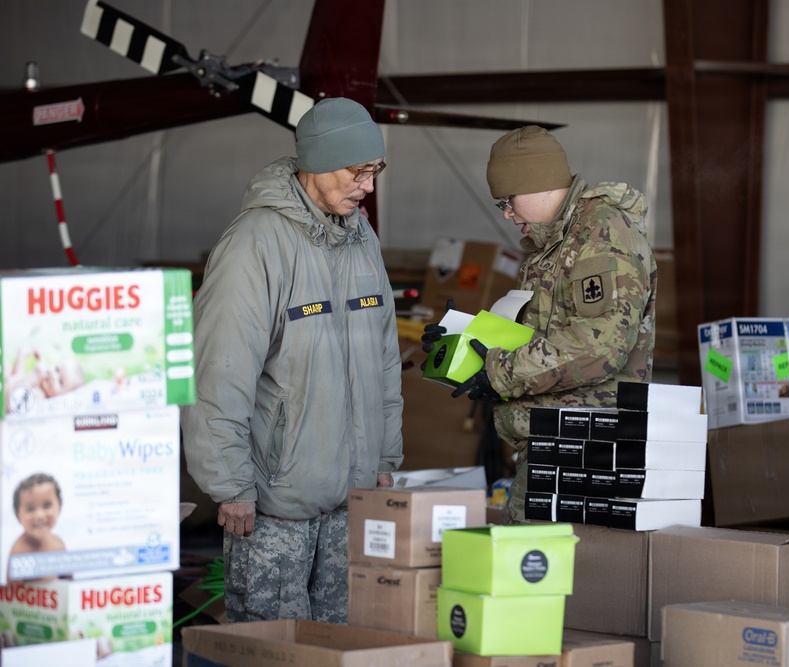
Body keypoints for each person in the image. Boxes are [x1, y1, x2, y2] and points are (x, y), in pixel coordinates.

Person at [180, 97, 402, 623]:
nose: (369, 185)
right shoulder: (254, 244)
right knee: (272, 649)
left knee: (344, 646)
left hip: (353, 497)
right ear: (319, 163)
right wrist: (230, 482)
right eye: (359, 171)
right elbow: (218, 371)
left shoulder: (361, 239)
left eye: (376, 171)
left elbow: (385, 358)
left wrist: (385, 460)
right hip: (273, 504)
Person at [423, 125, 656, 524]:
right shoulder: (554, 243)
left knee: (546, 577)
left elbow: (599, 345)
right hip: (553, 444)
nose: (509, 214)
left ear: (537, 183)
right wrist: (461, 343)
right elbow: (540, 336)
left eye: (507, 202)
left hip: (587, 450)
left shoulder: (600, 232)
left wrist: (498, 372)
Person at [9, 473, 66, 575]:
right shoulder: (19, 552)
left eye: (47, 505)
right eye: (30, 509)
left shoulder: (58, 544)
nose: (39, 515)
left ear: (59, 506)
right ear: (18, 516)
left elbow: (68, 580)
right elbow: (11, 589)